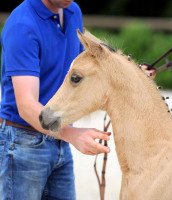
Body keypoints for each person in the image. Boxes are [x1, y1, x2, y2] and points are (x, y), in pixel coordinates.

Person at [0, 0, 111, 199]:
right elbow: (26, 106)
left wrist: (133, 75)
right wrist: (72, 134)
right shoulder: (22, 26)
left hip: (59, 141)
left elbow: (84, 73)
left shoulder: (72, 10)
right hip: (22, 144)